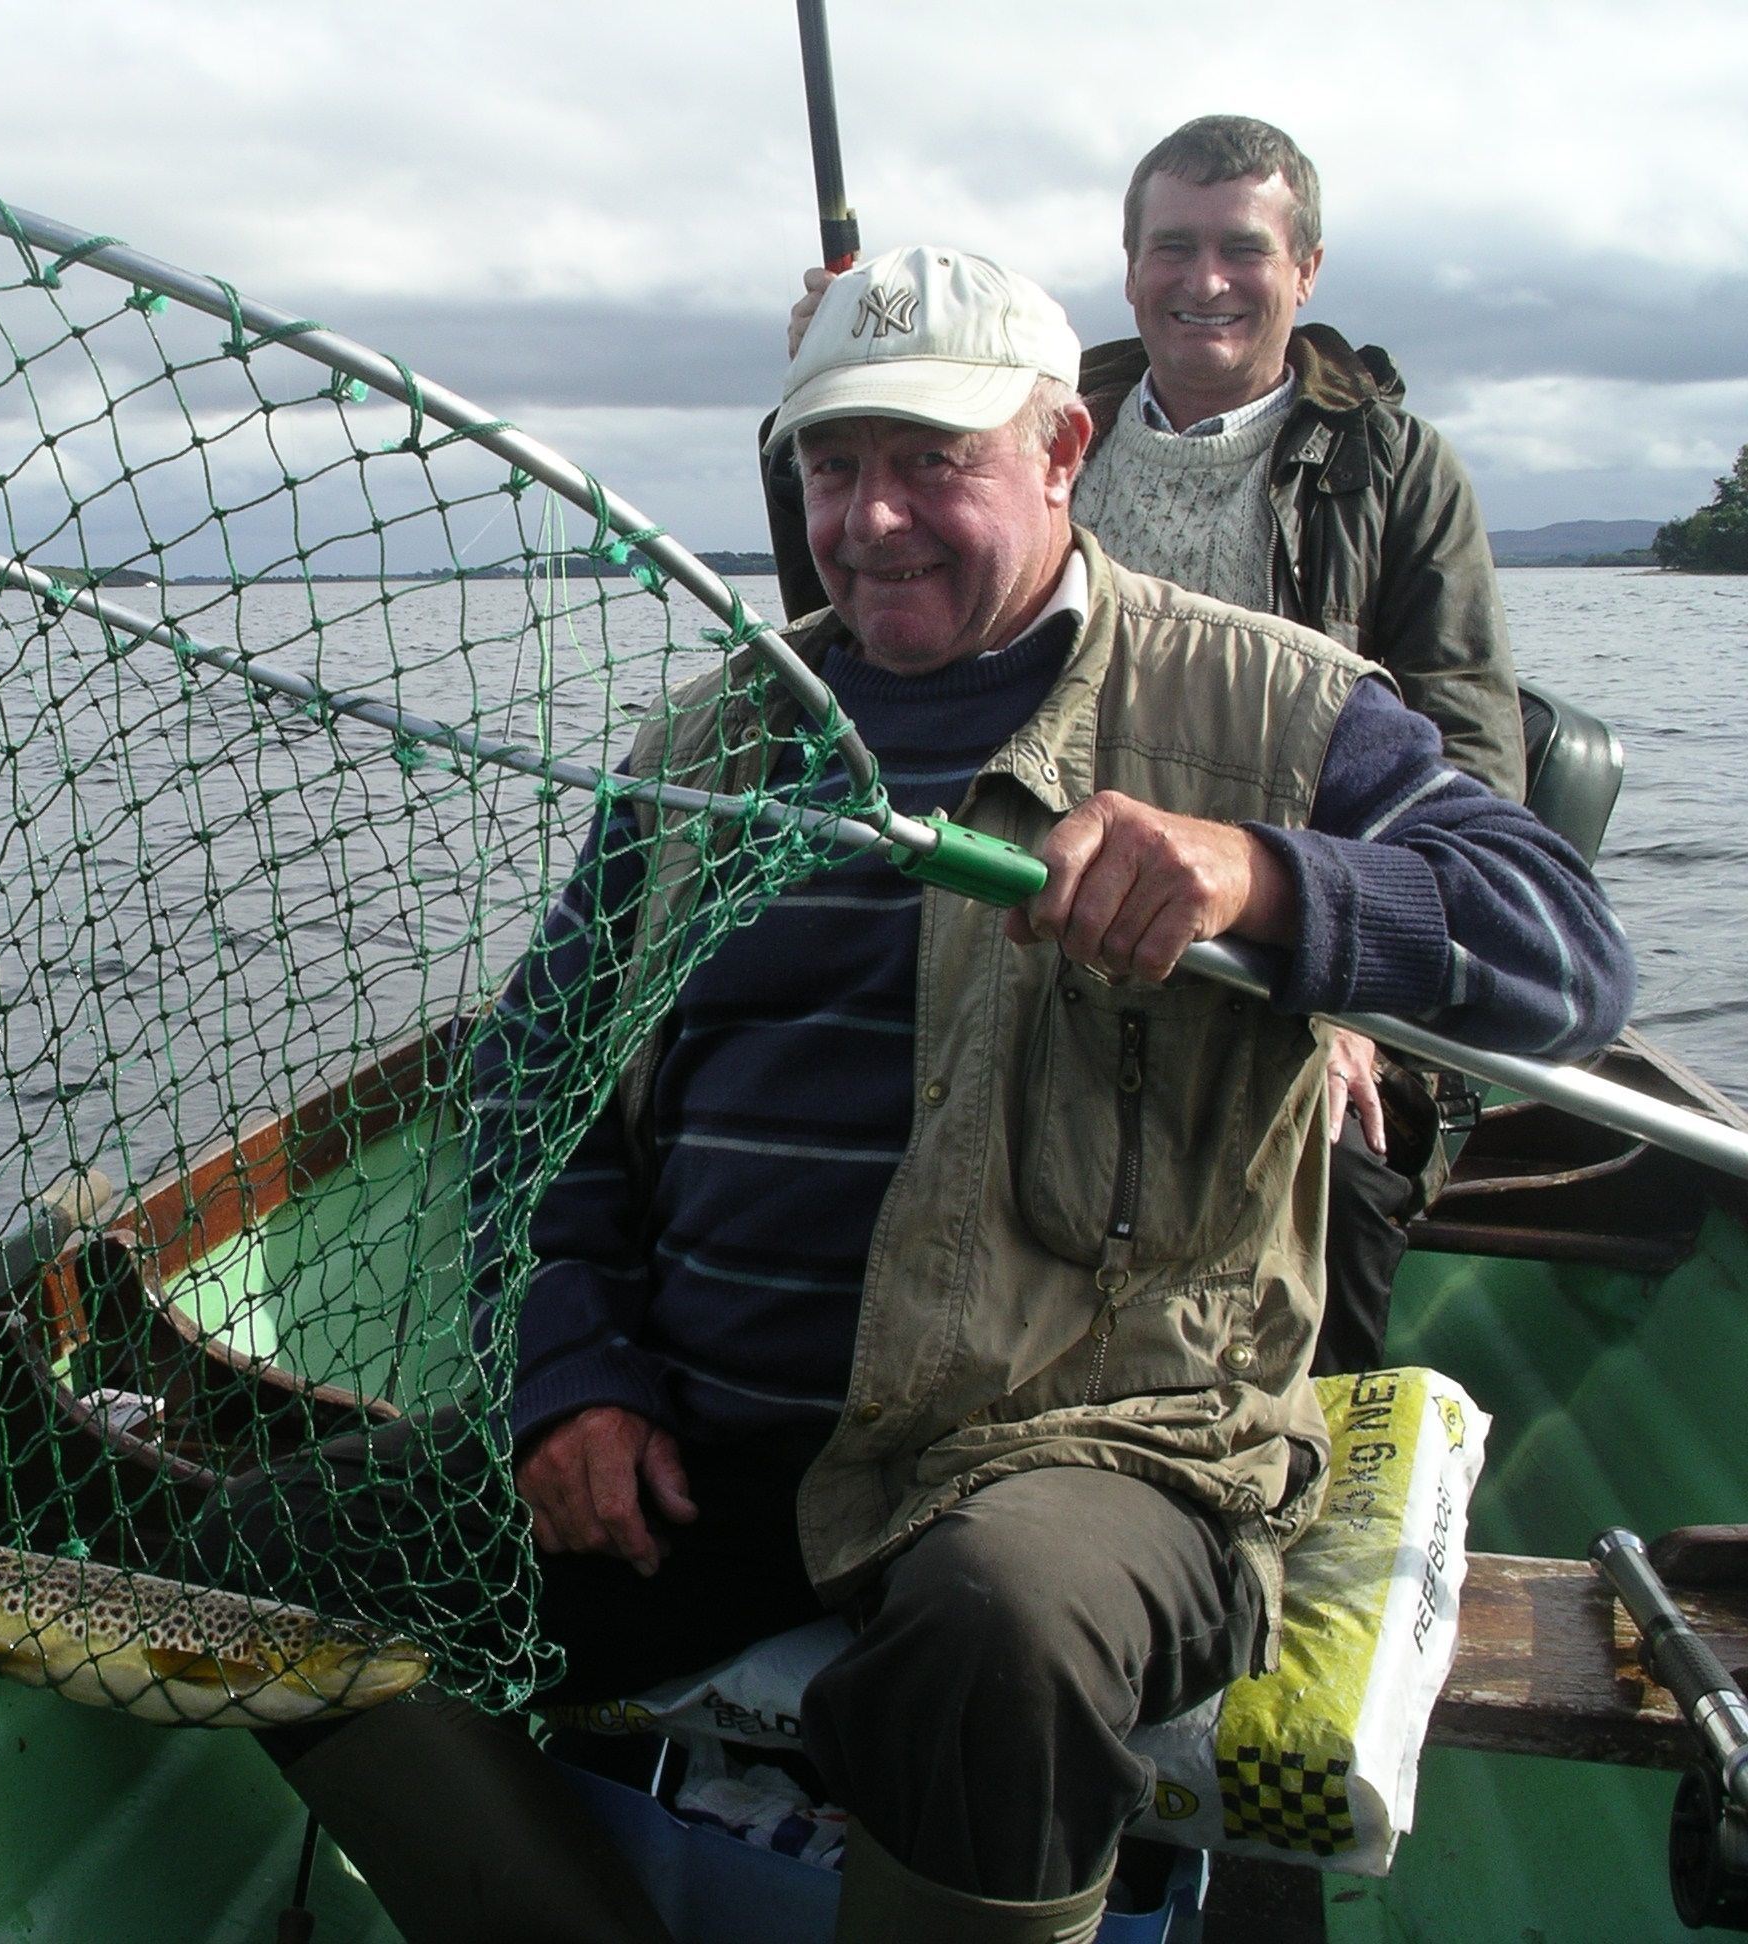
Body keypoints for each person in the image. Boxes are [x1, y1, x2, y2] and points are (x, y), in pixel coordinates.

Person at [248, 248, 1632, 1944]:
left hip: (1084, 1442)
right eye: (833, 466)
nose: (870, 520)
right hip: (715, 1446)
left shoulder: (1272, 706)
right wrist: (572, 1371)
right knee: (280, 1552)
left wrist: (1259, 877)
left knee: (998, 1629)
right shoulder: (706, 742)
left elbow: (1564, 955)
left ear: (1062, 451)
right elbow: (544, 1086)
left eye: (930, 462)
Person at [771, 116, 1525, 1376]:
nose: (1205, 280)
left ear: (1308, 272)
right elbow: (869, 586)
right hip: (1020, 908)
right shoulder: (1057, 413)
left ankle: (1273, 1499)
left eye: (1244, 249)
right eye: (1172, 247)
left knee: (1327, 1157)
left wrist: (1328, 966)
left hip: (1269, 963)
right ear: (1129, 272)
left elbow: (1467, 765)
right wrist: (837, 370)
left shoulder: (1394, 468)